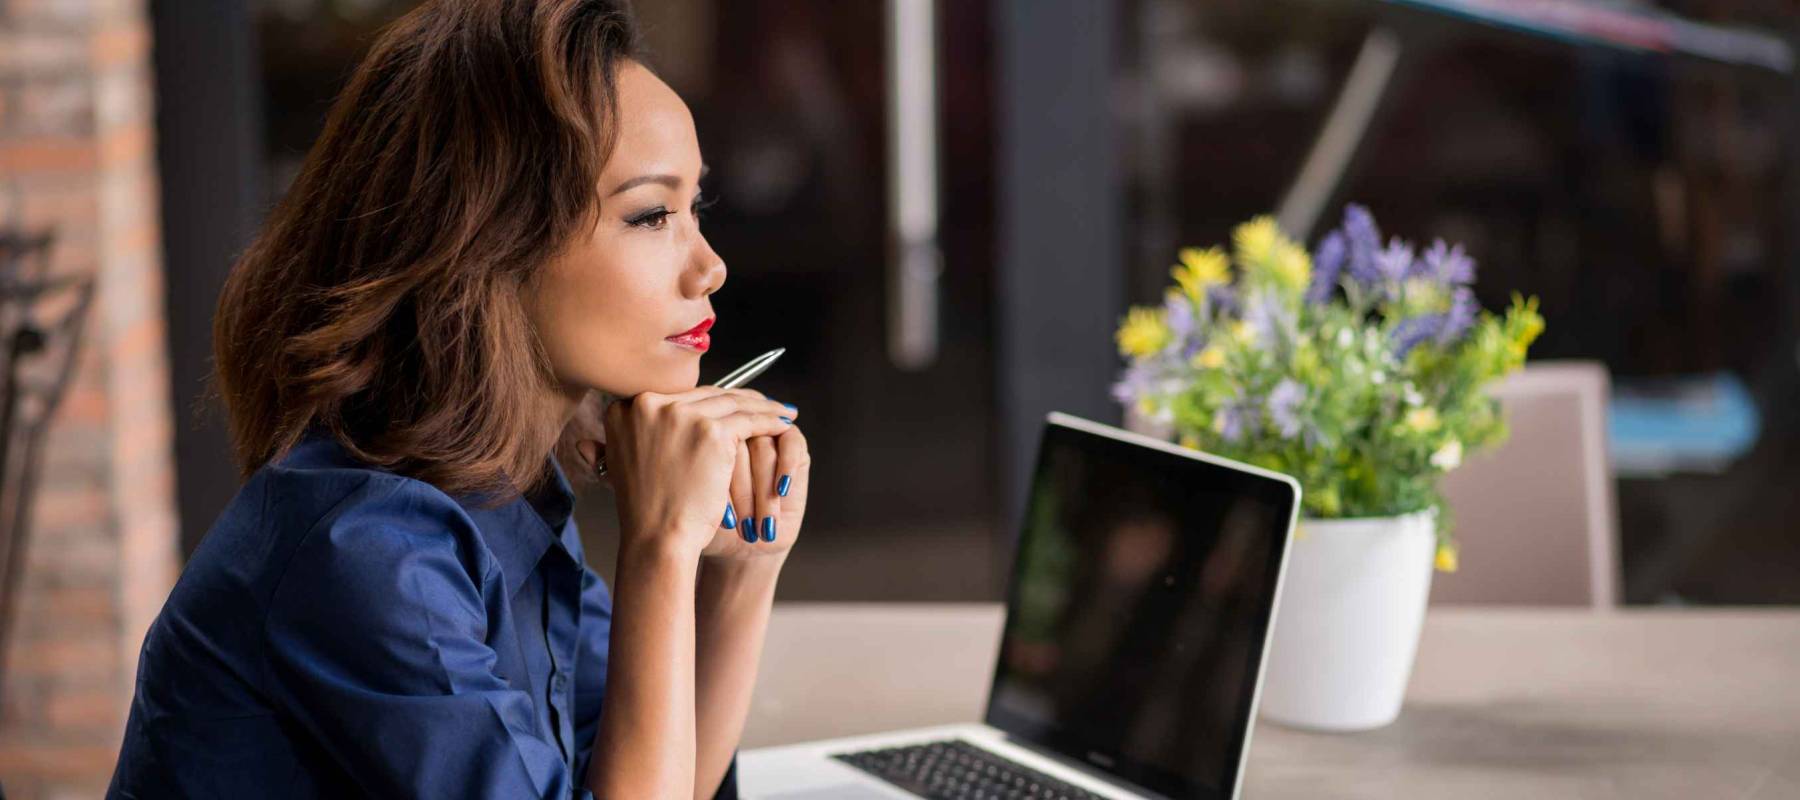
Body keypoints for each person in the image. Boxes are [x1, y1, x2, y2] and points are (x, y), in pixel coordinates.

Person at [105, 1, 809, 797]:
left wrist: (746, 570)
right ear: (492, 243)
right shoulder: (366, 551)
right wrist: (660, 547)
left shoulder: (507, 492)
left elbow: (643, 779)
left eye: (695, 209)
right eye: (652, 215)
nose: (709, 267)